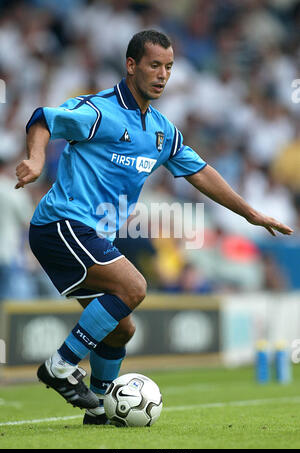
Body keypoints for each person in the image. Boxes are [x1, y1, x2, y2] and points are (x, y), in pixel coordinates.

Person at [15, 30, 293, 424]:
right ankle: (60, 365)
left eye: (169, 67)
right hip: (62, 225)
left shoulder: (161, 131)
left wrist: (250, 213)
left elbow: (201, 173)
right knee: (134, 286)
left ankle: (97, 410)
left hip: (90, 235)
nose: (163, 75)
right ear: (131, 66)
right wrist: (38, 159)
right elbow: (43, 118)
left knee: (120, 330)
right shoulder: (99, 111)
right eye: (154, 65)